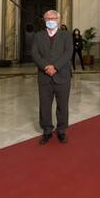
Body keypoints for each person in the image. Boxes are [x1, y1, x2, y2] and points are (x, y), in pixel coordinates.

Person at [32, 10, 73, 144]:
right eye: (47, 18)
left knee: (62, 105)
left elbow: (68, 53)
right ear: (44, 21)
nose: (50, 20)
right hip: (44, 76)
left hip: (62, 76)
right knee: (44, 105)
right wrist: (46, 67)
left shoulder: (66, 35)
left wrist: (55, 67)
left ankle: (61, 130)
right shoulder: (38, 36)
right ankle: (47, 130)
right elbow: (35, 54)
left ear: (58, 20)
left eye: (53, 18)